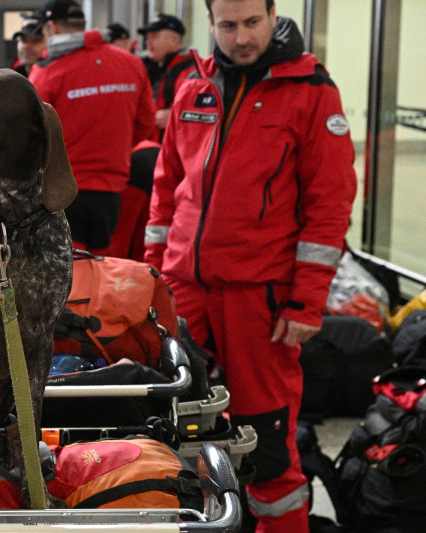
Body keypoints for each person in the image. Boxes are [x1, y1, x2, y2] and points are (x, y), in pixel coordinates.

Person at [143, 1, 357, 530]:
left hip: (257, 299)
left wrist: (307, 300)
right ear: (211, 23)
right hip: (184, 290)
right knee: (166, 430)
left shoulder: (311, 91)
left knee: (265, 447)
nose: (241, 37)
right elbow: (168, 190)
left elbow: (329, 205)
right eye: (229, 25)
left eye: (252, 23)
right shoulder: (194, 86)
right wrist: (153, 279)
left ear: (272, 15)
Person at [29, 0, 154, 252]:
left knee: (68, 278)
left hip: (62, 191)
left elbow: (30, 135)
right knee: (102, 274)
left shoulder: (48, 70)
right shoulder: (131, 64)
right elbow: (145, 125)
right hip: (112, 190)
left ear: (50, 28)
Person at [137, 14, 195, 137]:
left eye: (154, 37)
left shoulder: (190, 71)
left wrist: (176, 116)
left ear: (174, 39)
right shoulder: (160, 68)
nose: (148, 43)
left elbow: (202, 113)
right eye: (147, 38)